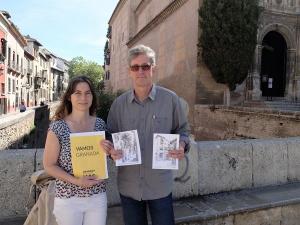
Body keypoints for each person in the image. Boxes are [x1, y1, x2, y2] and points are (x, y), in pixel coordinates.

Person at [105, 44, 190, 225]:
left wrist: (182, 145)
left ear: (153, 68)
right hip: (129, 188)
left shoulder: (171, 100)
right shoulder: (118, 105)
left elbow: (182, 130)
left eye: (145, 66)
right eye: (135, 67)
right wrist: (110, 149)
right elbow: (109, 135)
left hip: (160, 186)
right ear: (130, 71)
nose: (140, 71)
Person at [43, 75, 110, 225]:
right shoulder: (58, 127)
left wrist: (109, 150)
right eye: (78, 93)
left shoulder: (100, 124)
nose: (83, 98)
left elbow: (106, 155)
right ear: (69, 97)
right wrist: (76, 181)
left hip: (97, 196)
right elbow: (49, 165)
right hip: (68, 199)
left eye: (88, 93)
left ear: (92, 97)